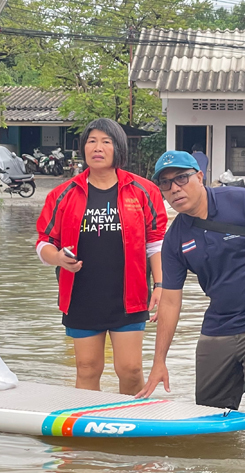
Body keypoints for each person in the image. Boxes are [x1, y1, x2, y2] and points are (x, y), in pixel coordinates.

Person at [136, 151, 245, 429]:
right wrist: (159, 361)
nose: (174, 188)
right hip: (218, 325)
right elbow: (169, 303)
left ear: (200, 177)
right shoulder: (175, 238)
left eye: (181, 178)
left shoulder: (242, 201)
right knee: (209, 412)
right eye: (165, 184)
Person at [35, 118, 168, 395]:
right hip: (81, 295)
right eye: (92, 141)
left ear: (118, 148)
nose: (98, 147)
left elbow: (155, 242)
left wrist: (160, 284)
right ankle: (88, 431)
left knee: (130, 369)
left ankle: (131, 429)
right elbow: (44, 243)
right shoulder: (63, 194)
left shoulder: (144, 191)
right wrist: (58, 258)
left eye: (106, 141)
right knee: (87, 367)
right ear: (83, 148)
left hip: (129, 295)